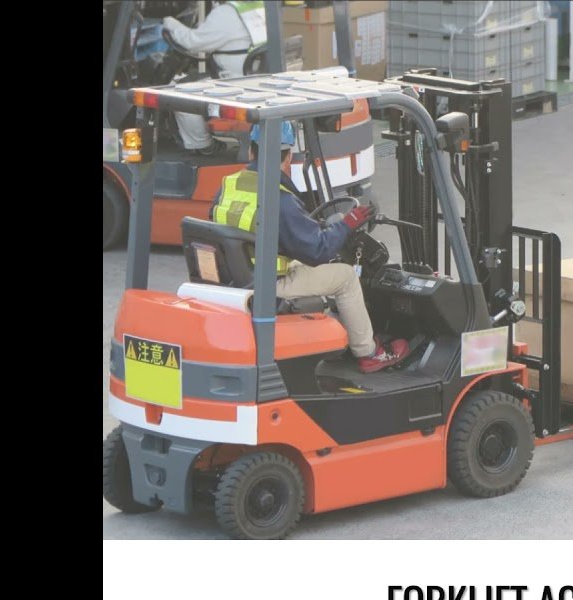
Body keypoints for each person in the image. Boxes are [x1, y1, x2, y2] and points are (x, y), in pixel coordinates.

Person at [210, 122, 409, 373]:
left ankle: (335, 329)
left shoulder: (228, 186)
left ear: (251, 151)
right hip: (267, 285)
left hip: (237, 275)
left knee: (308, 264)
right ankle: (368, 352)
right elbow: (318, 250)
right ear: (288, 158)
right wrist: (346, 224)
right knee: (346, 276)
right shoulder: (279, 198)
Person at [162, 1, 267, 156]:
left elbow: (192, 42)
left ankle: (203, 146)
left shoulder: (226, 13)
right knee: (194, 80)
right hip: (253, 80)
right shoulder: (258, 6)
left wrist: (169, 23)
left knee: (178, 95)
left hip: (233, 83)